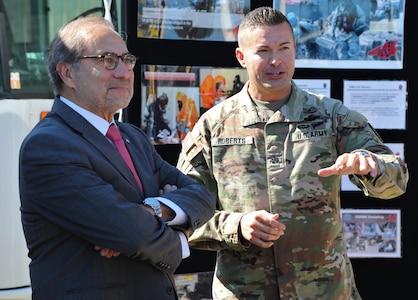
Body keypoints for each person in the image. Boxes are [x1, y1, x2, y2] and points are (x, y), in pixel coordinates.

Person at [176, 7, 408, 299]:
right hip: (246, 291)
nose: (276, 60)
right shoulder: (213, 127)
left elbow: (397, 181)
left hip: (325, 291)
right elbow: (182, 212)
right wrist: (236, 226)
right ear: (241, 57)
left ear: (295, 50)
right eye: (263, 50)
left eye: (284, 48)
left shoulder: (331, 116)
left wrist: (373, 167)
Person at [19, 16, 215, 300]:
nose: (124, 72)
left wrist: (154, 210)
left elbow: (202, 196)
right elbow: (132, 234)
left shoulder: (132, 137)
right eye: (107, 59)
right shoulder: (48, 146)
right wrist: (181, 239)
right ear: (67, 73)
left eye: (126, 59)